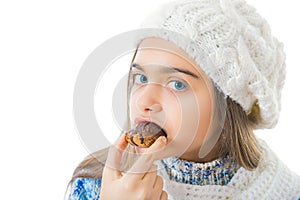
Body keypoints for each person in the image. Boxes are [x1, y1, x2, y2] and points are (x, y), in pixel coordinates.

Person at [66, 0, 300, 199]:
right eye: (141, 77)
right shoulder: (96, 187)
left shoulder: (288, 192)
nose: (144, 101)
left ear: (229, 105)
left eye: (177, 84)